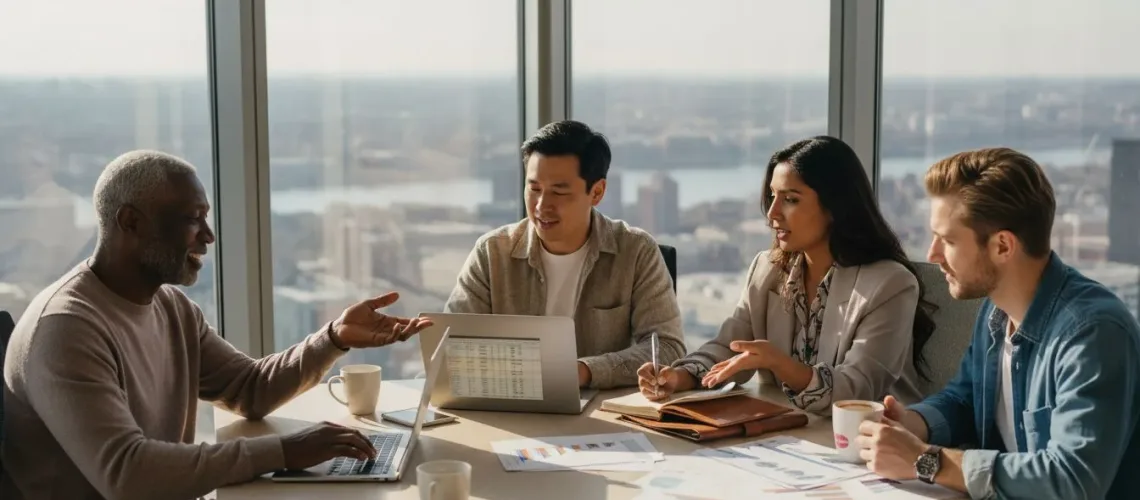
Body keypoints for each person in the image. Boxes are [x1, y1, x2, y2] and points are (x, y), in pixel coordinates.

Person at [1, 150, 432, 500]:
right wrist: (283, 452)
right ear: (131, 222)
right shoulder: (66, 329)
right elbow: (126, 475)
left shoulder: (171, 307)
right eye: (192, 219)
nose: (208, 236)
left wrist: (333, 337)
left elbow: (250, 388)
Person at [856, 148, 1140, 500]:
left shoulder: (1092, 333)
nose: (932, 254)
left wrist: (926, 461)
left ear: (1003, 246)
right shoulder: (997, 312)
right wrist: (913, 424)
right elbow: (965, 400)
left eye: (948, 240)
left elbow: (1072, 479)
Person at [638, 136, 936, 415]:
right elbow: (729, 348)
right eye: (772, 196)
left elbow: (857, 389)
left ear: (835, 206)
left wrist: (780, 364)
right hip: (787, 435)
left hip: (869, 438)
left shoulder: (890, 285)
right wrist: (679, 377)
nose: (772, 213)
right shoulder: (766, 268)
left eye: (791, 199)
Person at [445, 120, 684, 389]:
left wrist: (585, 371)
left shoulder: (636, 252)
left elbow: (668, 349)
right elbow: (450, 346)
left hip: (603, 409)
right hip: (510, 406)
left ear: (597, 192)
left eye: (559, 192)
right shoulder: (491, 253)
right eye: (534, 189)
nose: (541, 206)